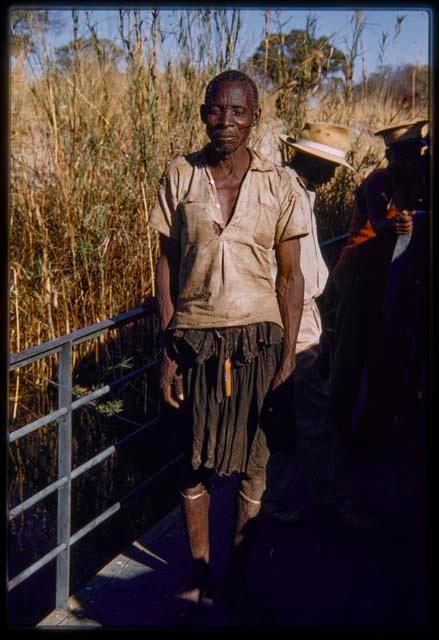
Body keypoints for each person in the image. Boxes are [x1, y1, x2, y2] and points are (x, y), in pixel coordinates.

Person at [148, 70, 309, 620]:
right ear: (202, 114)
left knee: (254, 467)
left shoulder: (280, 184)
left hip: (259, 342)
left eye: (239, 112)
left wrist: (288, 361)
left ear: (255, 117)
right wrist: (168, 346)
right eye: (217, 111)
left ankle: (238, 578)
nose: (227, 123)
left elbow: (291, 279)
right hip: (194, 341)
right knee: (192, 464)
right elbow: (166, 265)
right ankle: (198, 577)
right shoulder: (179, 176)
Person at [262, 122, 375, 527]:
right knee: (312, 411)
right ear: (313, 161)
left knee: (291, 411)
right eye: (328, 167)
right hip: (294, 310)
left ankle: (272, 498)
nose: (330, 178)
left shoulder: (295, 189)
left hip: (300, 308)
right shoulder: (289, 190)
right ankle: (333, 497)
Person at [329, 119, 429, 452]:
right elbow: (379, 220)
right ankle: (337, 436)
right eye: (404, 154)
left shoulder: (417, 182)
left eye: (416, 152)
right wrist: (396, 224)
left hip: (391, 280)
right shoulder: (378, 182)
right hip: (360, 276)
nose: (410, 160)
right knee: (350, 355)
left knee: (384, 355)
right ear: (390, 155)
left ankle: (371, 432)